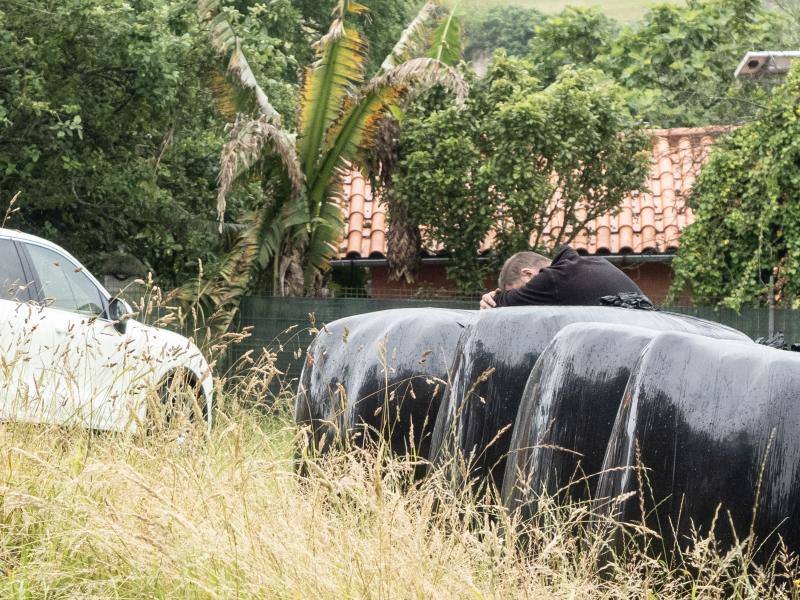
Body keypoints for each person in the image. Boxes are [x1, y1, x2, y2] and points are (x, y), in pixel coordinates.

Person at [480, 245, 648, 309]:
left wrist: (494, 298)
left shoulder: (553, 279)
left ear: (527, 274)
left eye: (518, 291)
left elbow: (505, 303)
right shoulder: (592, 263)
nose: (524, 297)